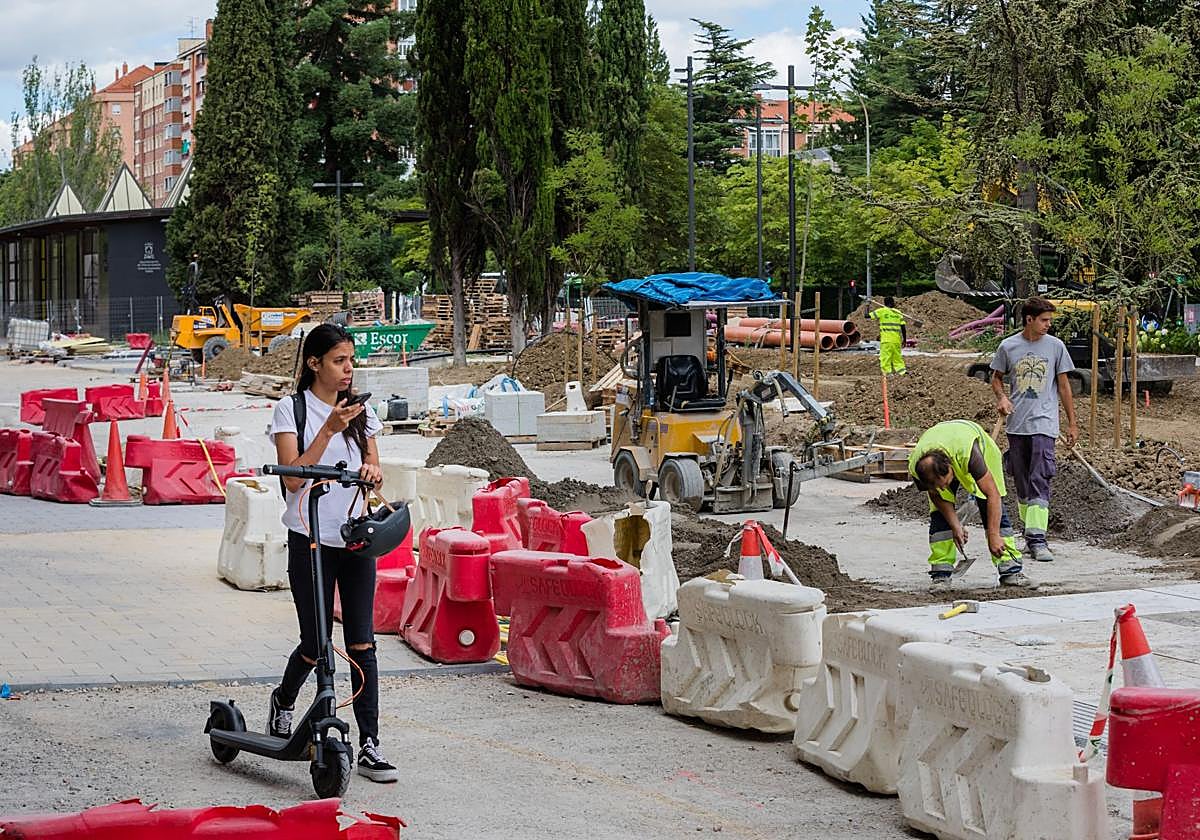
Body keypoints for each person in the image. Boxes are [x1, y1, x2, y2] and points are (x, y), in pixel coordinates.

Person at [268, 323, 397, 783]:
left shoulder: (361, 411)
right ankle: (284, 701)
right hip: (310, 540)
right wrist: (327, 430)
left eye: (351, 361)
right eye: (339, 360)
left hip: (356, 539)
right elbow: (292, 478)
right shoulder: (292, 409)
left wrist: (372, 472)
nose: (348, 369)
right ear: (314, 363)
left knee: (362, 643)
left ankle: (370, 744)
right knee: (315, 642)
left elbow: (374, 463)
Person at [990, 297, 1078, 562]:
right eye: (1044, 320)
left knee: (1040, 477)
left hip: (1044, 424)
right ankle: (1029, 534)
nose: (1048, 325)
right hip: (1017, 425)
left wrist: (1072, 423)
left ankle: (1038, 539)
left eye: (1049, 320)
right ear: (1029, 319)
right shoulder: (1008, 346)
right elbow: (996, 378)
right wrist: (1002, 398)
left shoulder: (1056, 347)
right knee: (1021, 481)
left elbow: (1064, 386)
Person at [909, 419, 1034, 590]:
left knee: (992, 508)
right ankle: (941, 574)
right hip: (944, 442)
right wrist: (956, 526)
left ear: (950, 467)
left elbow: (992, 495)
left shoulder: (970, 455)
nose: (943, 488)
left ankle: (1010, 570)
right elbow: (937, 496)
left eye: (944, 483)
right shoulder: (918, 468)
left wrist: (994, 535)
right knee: (939, 515)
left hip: (978, 449)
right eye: (937, 486)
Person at [869, 296, 907, 375]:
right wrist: (904, 340)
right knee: (897, 357)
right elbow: (903, 328)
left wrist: (867, 305)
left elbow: (867, 316)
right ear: (892, 303)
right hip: (896, 341)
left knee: (885, 357)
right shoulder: (898, 313)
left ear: (885, 303)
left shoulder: (882, 311)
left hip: (886, 341)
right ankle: (902, 372)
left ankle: (887, 373)